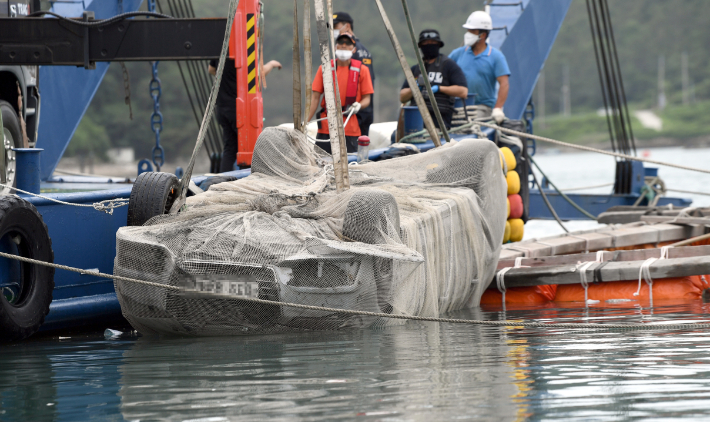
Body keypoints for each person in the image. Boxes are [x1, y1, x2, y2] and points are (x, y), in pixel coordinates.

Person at [208, 58, 282, 172]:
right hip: (239, 109)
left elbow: (211, 69)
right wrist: (271, 64)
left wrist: (226, 78)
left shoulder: (220, 48)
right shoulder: (243, 48)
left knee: (229, 149)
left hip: (222, 108)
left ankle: (223, 182)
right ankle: (250, 179)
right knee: (249, 148)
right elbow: (258, 74)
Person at [307, 33, 374, 154]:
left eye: (348, 43)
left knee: (351, 166)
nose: (343, 45)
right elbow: (315, 98)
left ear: (353, 49)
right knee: (320, 162)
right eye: (340, 43)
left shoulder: (362, 70)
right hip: (326, 127)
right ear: (335, 46)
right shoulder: (324, 68)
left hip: (350, 127)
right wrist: (306, 121)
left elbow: (367, 98)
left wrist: (358, 105)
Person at [449, 11, 510, 124]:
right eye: (468, 30)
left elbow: (504, 83)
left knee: (470, 126)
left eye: (472, 31)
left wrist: (497, 108)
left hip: (482, 108)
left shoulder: (496, 56)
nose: (468, 34)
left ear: (483, 34)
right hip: (457, 106)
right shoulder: (457, 54)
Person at [399, 29, 468, 129]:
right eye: (425, 43)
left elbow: (463, 91)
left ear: (438, 45)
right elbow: (402, 97)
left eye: (432, 42)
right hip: (416, 122)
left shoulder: (449, 66)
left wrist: (439, 89)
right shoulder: (415, 69)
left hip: (440, 123)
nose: (429, 45)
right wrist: (414, 88)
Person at [333, 11, 375, 136]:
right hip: (362, 110)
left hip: (356, 112)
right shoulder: (364, 50)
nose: (333, 30)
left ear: (347, 26)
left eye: (336, 26)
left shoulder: (350, 51)